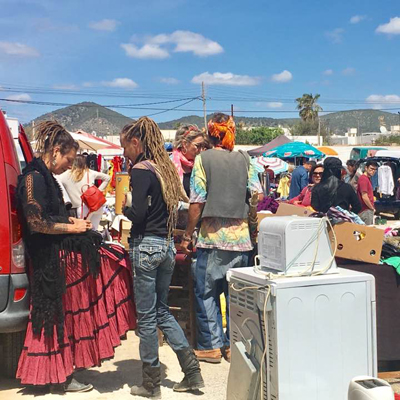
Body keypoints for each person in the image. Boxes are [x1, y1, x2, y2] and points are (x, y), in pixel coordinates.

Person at [16, 121, 136, 391]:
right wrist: (72, 226)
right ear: (56, 151)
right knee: (58, 317)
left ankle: (61, 374)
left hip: (55, 258)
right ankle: (57, 376)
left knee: (65, 317)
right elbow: (36, 221)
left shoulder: (44, 177)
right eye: (68, 160)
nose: (69, 167)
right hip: (49, 260)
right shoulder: (34, 178)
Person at [120, 117, 204, 398]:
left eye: (125, 147)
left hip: (146, 246)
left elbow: (140, 215)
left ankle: (150, 384)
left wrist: (125, 210)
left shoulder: (141, 171)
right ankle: (192, 373)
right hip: (167, 247)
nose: (124, 154)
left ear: (135, 142)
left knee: (146, 318)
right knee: (162, 311)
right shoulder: (164, 168)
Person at [180, 113, 263, 364]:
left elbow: (197, 202)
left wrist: (187, 235)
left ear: (210, 133)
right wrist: (251, 224)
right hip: (241, 242)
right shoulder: (245, 158)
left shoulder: (203, 159)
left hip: (212, 239)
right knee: (237, 297)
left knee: (206, 293)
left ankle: (211, 347)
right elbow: (256, 196)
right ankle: (233, 346)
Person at [59, 154, 111, 229]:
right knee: (94, 230)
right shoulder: (90, 172)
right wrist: (98, 192)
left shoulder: (65, 175)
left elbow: (55, 178)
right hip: (96, 205)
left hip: (81, 208)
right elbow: (107, 178)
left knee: (83, 232)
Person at [171, 124, 207, 198]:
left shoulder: (199, 164)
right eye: (198, 146)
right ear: (184, 144)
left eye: (202, 146)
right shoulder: (170, 165)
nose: (201, 150)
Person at [357, 161, 378, 225]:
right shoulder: (364, 179)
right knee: (368, 232)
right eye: (371, 169)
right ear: (366, 168)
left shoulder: (367, 179)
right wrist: (371, 208)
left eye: (375, 169)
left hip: (367, 210)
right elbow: (364, 196)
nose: (373, 171)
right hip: (366, 210)